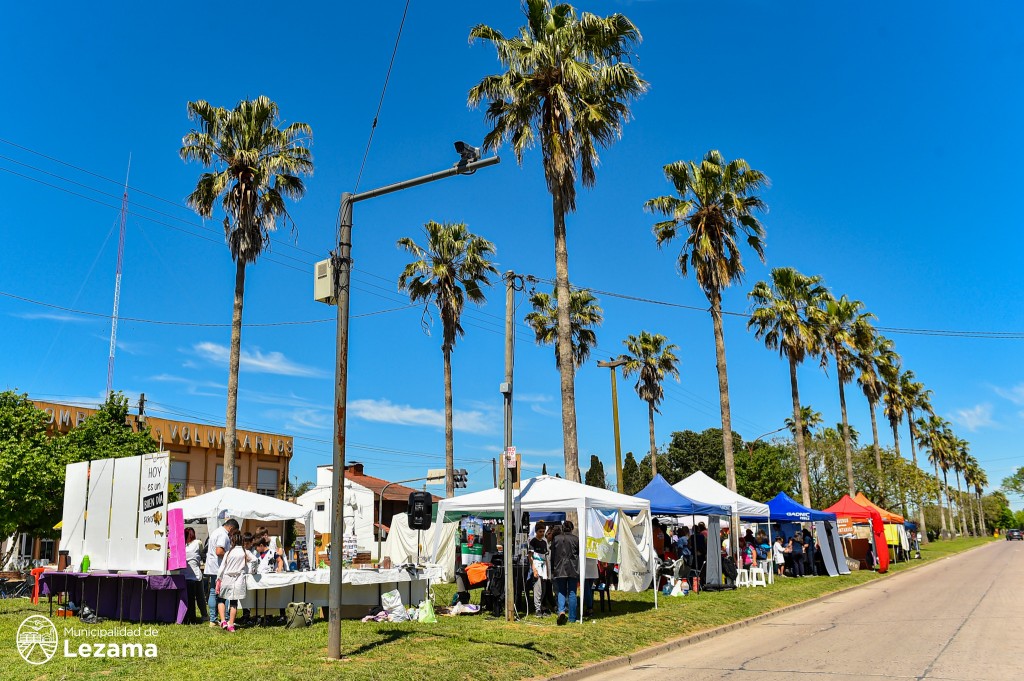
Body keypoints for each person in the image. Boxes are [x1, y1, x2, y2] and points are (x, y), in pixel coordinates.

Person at [216, 528, 252, 632]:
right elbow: (254, 559)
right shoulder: (245, 552)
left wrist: (218, 579)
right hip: (238, 579)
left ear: (232, 541)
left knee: (221, 599)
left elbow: (222, 568)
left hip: (227, 578)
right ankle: (231, 624)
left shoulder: (228, 553)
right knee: (233, 602)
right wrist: (248, 568)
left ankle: (223, 621)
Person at [204, 518, 238, 627]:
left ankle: (213, 619)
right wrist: (230, 557)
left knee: (213, 591)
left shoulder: (216, 531)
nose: (233, 534)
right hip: (218, 568)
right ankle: (223, 618)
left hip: (213, 567)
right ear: (231, 528)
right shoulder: (223, 535)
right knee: (222, 593)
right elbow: (219, 551)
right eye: (234, 532)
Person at [550, 520, 580, 625]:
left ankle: (561, 611)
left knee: (561, 591)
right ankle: (572, 617)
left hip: (559, 568)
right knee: (572, 592)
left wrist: (552, 569)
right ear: (572, 529)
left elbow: (552, 555)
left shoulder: (556, 539)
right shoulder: (576, 539)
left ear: (562, 528)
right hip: (573, 568)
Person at [183, 527, 207, 624]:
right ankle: (204, 615)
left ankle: (189, 616)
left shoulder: (182, 546)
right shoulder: (198, 543)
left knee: (189, 598)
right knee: (200, 597)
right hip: (195, 575)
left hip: (185, 575)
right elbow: (202, 554)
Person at [529, 522, 549, 617]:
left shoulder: (544, 542)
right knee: (538, 588)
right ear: (536, 531)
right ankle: (537, 609)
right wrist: (534, 569)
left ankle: (543, 608)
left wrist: (547, 570)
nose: (542, 533)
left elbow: (545, 556)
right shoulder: (533, 541)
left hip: (544, 567)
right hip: (536, 565)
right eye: (540, 531)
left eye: (543, 531)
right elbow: (530, 556)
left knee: (544, 589)